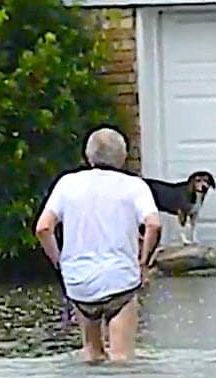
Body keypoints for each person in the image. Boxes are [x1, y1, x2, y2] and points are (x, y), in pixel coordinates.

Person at [35, 127, 161, 363]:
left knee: (91, 355)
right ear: (123, 157)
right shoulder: (134, 186)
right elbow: (153, 225)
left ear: (88, 156)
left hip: (79, 283)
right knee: (121, 358)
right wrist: (143, 262)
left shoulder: (67, 184)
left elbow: (43, 228)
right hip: (120, 280)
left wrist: (60, 263)